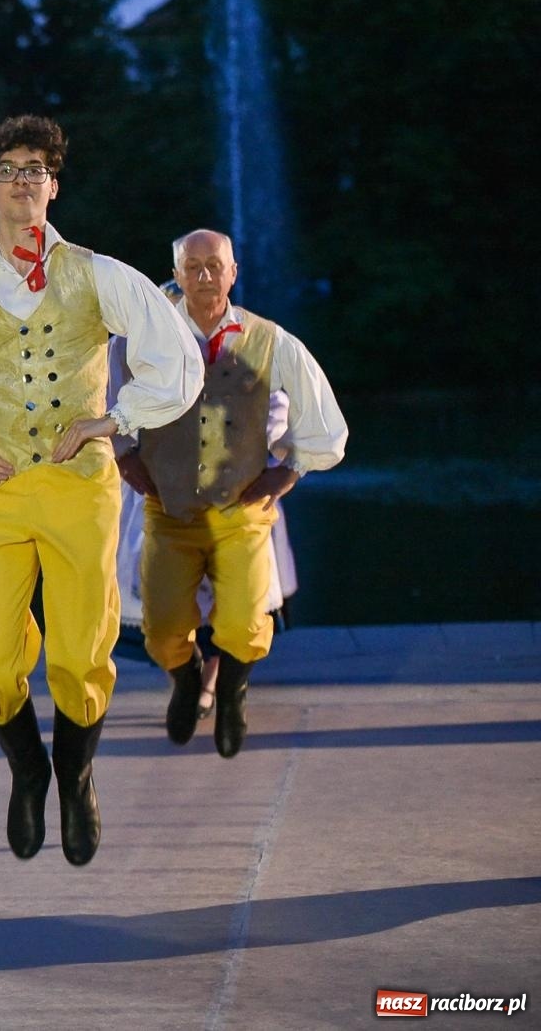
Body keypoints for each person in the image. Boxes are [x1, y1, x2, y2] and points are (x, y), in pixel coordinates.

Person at [0, 114, 203, 866]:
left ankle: (77, 776)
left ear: (54, 185)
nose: (23, 179)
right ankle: (28, 769)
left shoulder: (96, 273)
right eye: (9, 168)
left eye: (36, 168)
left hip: (80, 492)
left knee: (83, 654)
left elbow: (176, 359)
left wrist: (113, 421)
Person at [117, 229, 347, 757]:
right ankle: (186, 677)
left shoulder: (269, 341)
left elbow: (317, 423)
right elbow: (106, 398)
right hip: (169, 506)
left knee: (243, 618)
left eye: (213, 266)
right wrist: (124, 456)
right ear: (174, 274)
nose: (203, 277)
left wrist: (286, 472)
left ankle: (230, 692)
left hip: (240, 509)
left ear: (233, 271)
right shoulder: (141, 341)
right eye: (191, 267)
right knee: (162, 626)